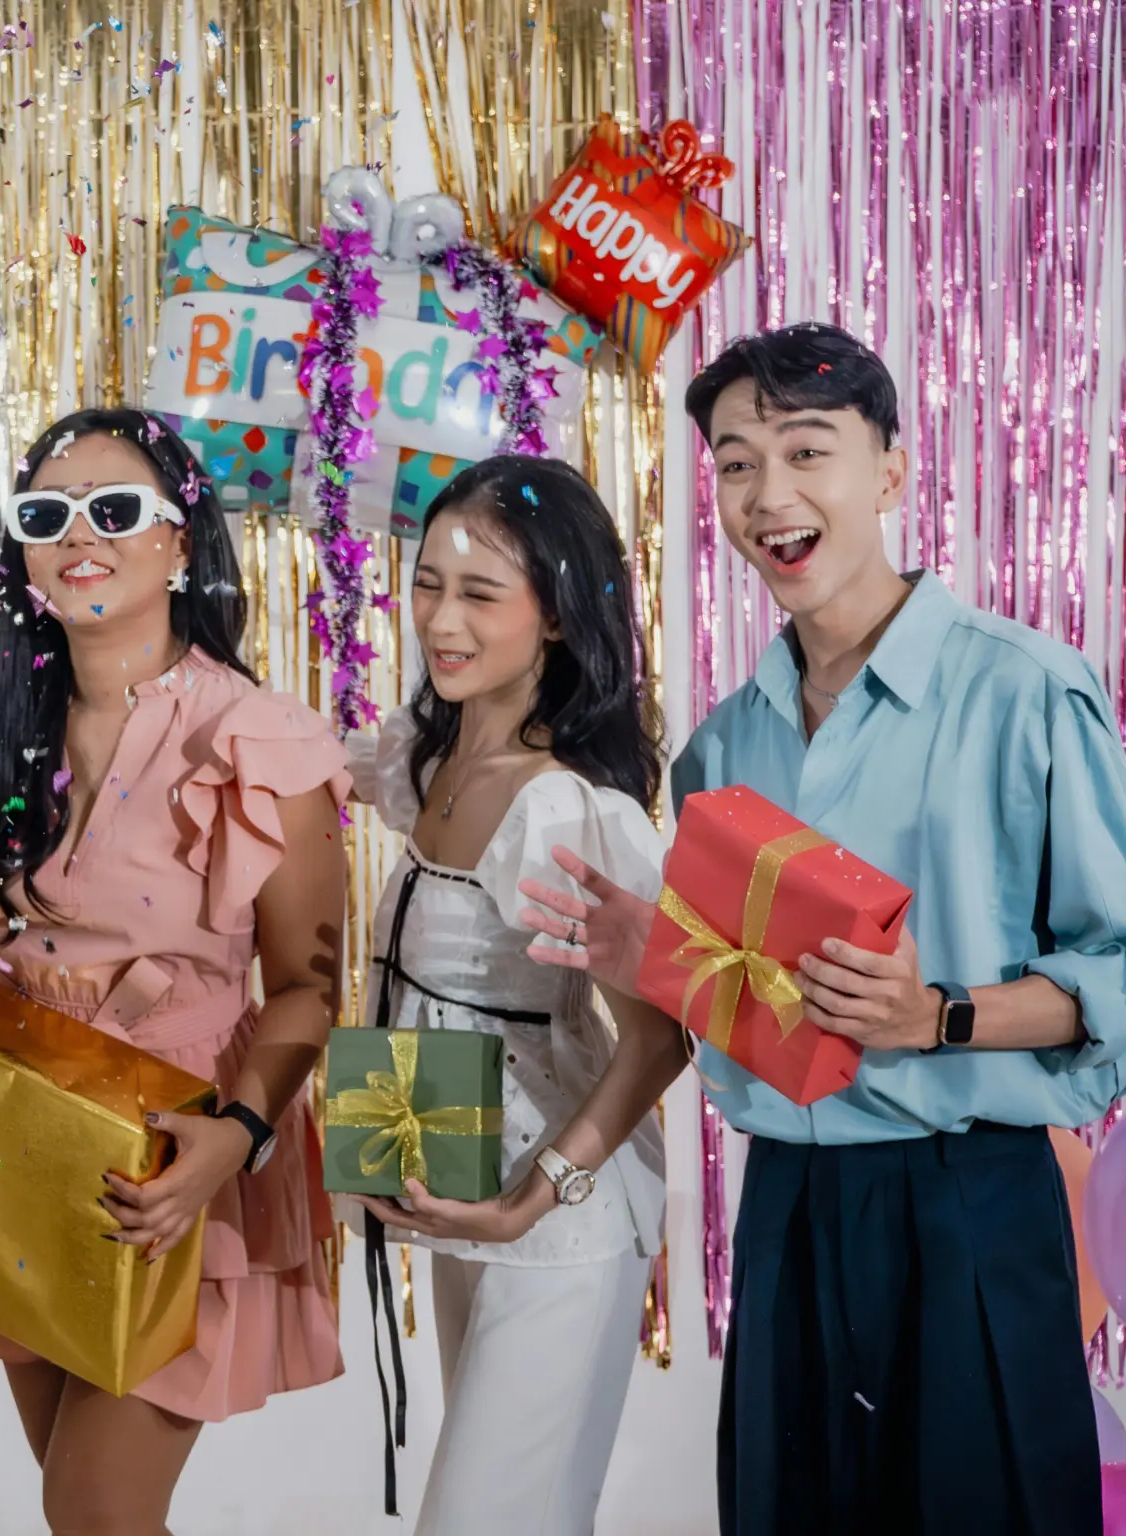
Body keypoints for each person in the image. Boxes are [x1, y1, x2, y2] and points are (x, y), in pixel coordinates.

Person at [519, 321, 1126, 1535]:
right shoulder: (719, 753)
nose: (768, 494)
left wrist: (936, 1015)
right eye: (735, 463)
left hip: (972, 1204)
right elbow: (747, 1009)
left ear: (889, 471)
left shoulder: (1024, 691)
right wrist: (651, 959)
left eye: (807, 451)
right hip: (788, 1210)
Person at [0, 408, 349, 1534]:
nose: (78, 536)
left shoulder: (258, 740)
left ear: (181, 543)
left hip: (179, 1161)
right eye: (45, 516)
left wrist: (236, 1135)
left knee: (92, 1512)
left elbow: (309, 989)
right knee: (80, 1515)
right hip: (18, 1142)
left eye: (115, 510)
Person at [342, 455, 689, 1534]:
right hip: (458, 1185)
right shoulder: (422, 763)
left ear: (553, 617)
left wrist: (534, 1195)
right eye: (428, 583)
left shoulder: (570, 811)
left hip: (553, 1220)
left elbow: (662, 1036)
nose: (440, 619)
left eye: (480, 594)